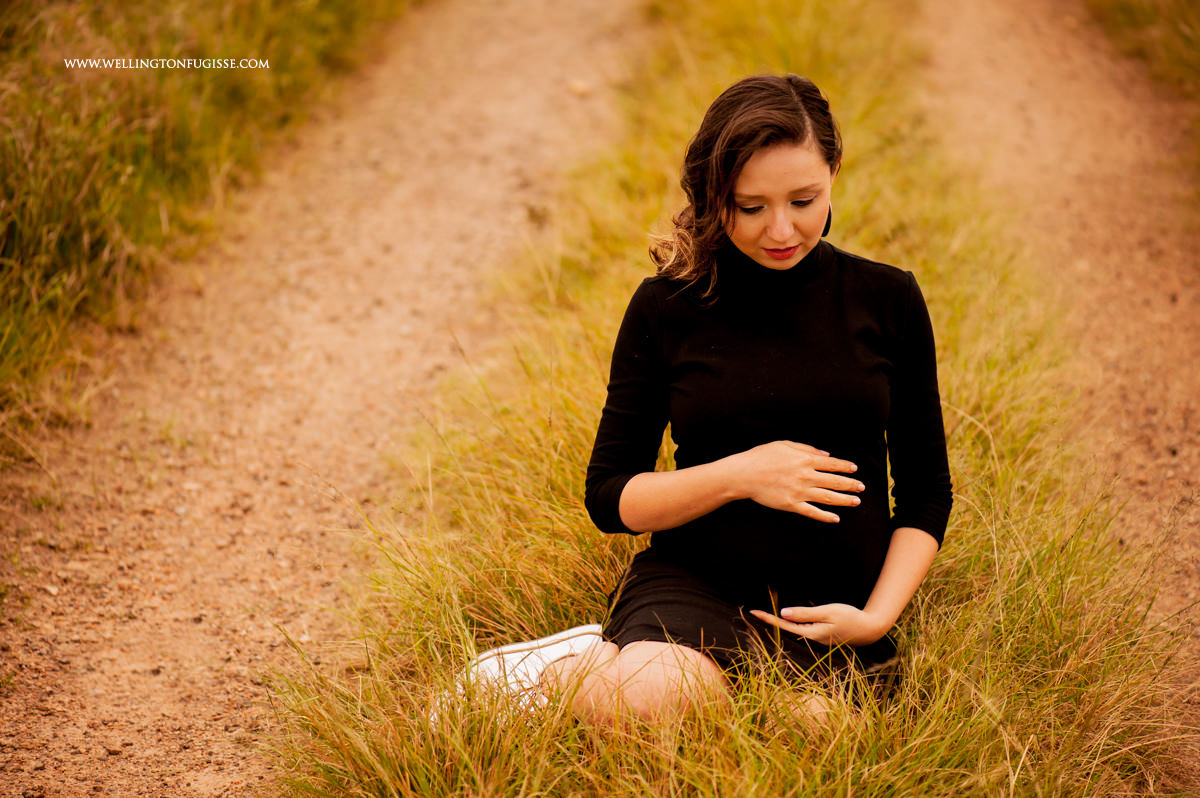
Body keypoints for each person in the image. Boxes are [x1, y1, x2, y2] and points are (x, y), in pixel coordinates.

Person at [464, 73, 952, 725]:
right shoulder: (667, 307)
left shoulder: (887, 299)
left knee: (816, 737)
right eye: (751, 207)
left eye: (804, 200)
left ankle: (609, 670)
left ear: (834, 170)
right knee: (644, 707)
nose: (781, 229)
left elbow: (926, 493)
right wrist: (743, 475)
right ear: (714, 196)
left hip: (833, 607)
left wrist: (875, 618)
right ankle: (567, 673)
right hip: (699, 585)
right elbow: (612, 498)